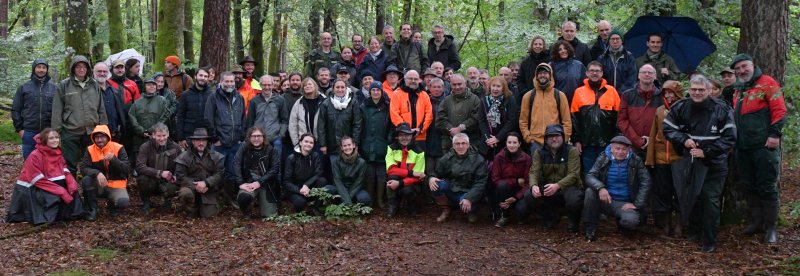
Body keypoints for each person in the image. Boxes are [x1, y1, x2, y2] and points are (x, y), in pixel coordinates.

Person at [663, 75, 736, 252]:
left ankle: (709, 240)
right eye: (694, 89)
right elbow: (668, 128)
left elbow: (730, 137)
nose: (697, 92)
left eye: (701, 90)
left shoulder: (721, 108)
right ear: (689, 89)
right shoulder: (680, 106)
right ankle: (694, 232)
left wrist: (707, 151)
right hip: (690, 162)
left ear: (709, 90)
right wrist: (683, 140)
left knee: (710, 200)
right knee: (692, 196)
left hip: (714, 163)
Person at [730, 54, 786, 244]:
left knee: (767, 186)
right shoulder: (739, 88)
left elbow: (779, 109)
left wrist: (774, 134)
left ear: (753, 65)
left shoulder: (767, 83)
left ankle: (771, 228)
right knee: (749, 184)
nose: (741, 71)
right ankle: (756, 223)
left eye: (744, 66)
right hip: (743, 147)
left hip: (764, 146)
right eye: (738, 68)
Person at [6, 128, 85, 224]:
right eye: (51, 138)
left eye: (56, 137)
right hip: (32, 188)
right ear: (44, 140)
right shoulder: (35, 155)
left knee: (71, 190)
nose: (55, 140)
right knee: (54, 197)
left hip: (47, 183)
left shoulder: (57, 152)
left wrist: (71, 183)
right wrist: (61, 191)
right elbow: (36, 179)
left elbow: (64, 169)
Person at [583, 135, 651, 241]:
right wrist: (600, 187)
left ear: (629, 149)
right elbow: (590, 176)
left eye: (624, 149)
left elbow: (646, 181)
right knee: (590, 192)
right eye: (617, 148)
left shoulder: (636, 160)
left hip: (625, 203)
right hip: (606, 199)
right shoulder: (603, 158)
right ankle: (590, 228)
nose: (620, 152)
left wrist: (637, 204)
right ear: (611, 148)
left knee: (630, 221)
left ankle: (623, 224)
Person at [517, 124, 583, 231]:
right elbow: (534, 172)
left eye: (557, 135)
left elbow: (574, 174)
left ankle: (574, 221)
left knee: (574, 199)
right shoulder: (539, 152)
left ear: (563, 137)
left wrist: (558, 185)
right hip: (549, 187)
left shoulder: (571, 151)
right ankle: (551, 217)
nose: (554, 139)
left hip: (569, 187)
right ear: (546, 139)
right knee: (529, 195)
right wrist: (533, 186)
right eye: (550, 136)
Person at [52, 55, 108, 175]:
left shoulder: (94, 84)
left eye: (84, 67)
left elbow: (101, 107)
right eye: (78, 67)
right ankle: (70, 185)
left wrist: (103, 127)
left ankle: (90, 184)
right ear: (73, 69)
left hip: (91, 131)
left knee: (92, 161)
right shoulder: (64, 85)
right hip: (70, 130)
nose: (81, 69)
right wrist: (57, 131)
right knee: (70, 163)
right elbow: (57, 109)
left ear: (88, 69)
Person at [644, 80, 683, 237]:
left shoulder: (684, 108)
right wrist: (650, 158)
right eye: (666, 93)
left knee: (679, 192)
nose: (668, 96)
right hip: (661, 157)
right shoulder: (659, 110)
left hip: (678, 157)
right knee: (663, 191)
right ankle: (666, 225)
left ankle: (679, 224)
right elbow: (653, 133)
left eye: (671, 92)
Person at [205, 71, 247, 206]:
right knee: (217, 171)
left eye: (231, 81)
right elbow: (208, 119)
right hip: (220, 142)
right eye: (226, 81)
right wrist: (214, 138)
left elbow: (243, 118)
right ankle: (214, 198)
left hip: (235, 143)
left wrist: (241, 136)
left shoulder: (239, 97)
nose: (229, 84)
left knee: (232, 172)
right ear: (221, 82)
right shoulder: (213, 97)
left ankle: (229, 198)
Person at [571, 61, 621, 175]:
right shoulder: (579, 92)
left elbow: (619, 118)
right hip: (586, 143)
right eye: (592, 71)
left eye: (597, 71)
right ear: (587, 73)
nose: (594, 73)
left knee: (607, 174)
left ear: (602, 73)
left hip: (607, 143)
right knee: (589, 174)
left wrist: (616, 140)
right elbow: (574, 119)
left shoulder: (611, 91)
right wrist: (576, 140)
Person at [428, 133, 487, 223]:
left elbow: (480, 183)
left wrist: (469, 198)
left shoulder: (478, 160)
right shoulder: (446, 158)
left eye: (463, 143)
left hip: (469, 192)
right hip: (452, 189)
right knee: (435, 183)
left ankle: (471, 212)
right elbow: (437, 172)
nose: (460, 146)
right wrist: (431, 177)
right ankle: (446, 209)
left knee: (467, 207)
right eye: (457, 144)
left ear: (468, 144)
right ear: (453, 145)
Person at [80, 125, 131, 220]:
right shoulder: (90, 149)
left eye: (102, 137)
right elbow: (83, 168)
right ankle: (92, 209)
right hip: (100, 185)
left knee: (123, 202)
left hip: (116, 185)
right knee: (86, 180)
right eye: (97, 137)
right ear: (93, 138)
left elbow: (127, 169)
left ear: (108, 137)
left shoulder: (119, 148)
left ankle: (112, 205)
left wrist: (114, 159)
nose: (99, 140)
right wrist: (97, 173)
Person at [519, 63, 572, 153]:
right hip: (535, 142)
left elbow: (567, 121)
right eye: (540, 73)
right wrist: (528, 138)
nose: (542, 75)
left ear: (550, 75)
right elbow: (523, 121)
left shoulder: (559, 95)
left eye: (545, 73)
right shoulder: (528, 96)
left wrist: (563, 139)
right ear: (536, 76)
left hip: (555, 140)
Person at [174, 128, 225, 218]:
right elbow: (180, 176)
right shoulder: (184, 157)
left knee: (208, 215)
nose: (201, 143)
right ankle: (191, 209)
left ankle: (205, 204)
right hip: (191, 188)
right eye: (198, 140)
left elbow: (220, 174)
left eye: (203, 140)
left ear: (207, 142)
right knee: (185, 193)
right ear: (193, 141)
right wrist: (196, 186)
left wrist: (206, 183)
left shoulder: (216, 156)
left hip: (208, 189)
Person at [13, 59, 57, 159]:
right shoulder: (24, 87)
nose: (41, 70)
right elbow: (15, 109)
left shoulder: (54, 88)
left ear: (47, 70)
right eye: (38, 67)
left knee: (48, 161)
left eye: (44, 67)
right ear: (34, 69)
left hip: (48, 131)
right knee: (30, 161)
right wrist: (19, 129)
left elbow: (59, 110)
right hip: (29, 131)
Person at [233, 127, 281, 218]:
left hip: (265, 184)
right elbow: (236, 163)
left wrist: (259, 182)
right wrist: (240, 183)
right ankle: (247, 212)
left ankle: (264, 204)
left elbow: (275, 169)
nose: (256, 138)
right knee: (244, 197)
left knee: (270, 216)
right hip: (249, 182)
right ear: (249, 137)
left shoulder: (271, 150)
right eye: (253, 136)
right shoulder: (244, 147)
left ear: (263, 137)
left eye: (259, 136)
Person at [136, 123, 182, 214]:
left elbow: (181, 165)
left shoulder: (175, 147)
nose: (162, 138)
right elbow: (139, 166)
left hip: (168, 180)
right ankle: (146, 202)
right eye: (159, 136)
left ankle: (167, 201)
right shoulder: (145, 147)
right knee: (142, 179)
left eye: (164, 135)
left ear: (168, 134)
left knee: (177, 181)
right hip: (152, 179)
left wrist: (176, 175)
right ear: (153, 135)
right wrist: (160, 173)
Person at [618, 64, 663, 154]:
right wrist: (638, 140)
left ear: (655, 76)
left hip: (656, 146)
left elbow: (666, 122)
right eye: (644, 72)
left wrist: (653, 139)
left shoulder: (662, 96)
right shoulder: (627, 95)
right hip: (632, 146)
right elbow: (622, 121)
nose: (647, 74)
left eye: (650, 72)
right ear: (638, 75)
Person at [360, 81, 392, 208]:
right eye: (373, 90)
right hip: (367, 144)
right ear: (370, 92)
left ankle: (380, 200)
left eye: (378, 90)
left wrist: (389, 139)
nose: (375, 92)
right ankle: (370, 200)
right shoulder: (363, 106)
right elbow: (359, 125)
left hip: (382, 143)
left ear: (382, 92)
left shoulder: (388, 106)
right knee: (369, 174)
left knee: (382, 174)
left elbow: (392, 125)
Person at [490, 132, 531, 227]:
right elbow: (495, 180)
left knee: (521, 210)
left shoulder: (527, 159)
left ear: (519, 144)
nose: (512, 145)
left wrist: (516, 197)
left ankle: (521, 215)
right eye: (509, 142)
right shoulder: (499, 157)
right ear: (506, 143)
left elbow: (528, 182)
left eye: (514, 142)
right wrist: (516, 181)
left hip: (520, 192)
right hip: (504, 190)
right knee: (501, 185)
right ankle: (504, 215)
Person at [385, 123, 426, 217]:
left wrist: (400, 183)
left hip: (411, 183)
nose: (404, 138)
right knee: (392, 178)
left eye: (407, 135)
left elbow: (418, 176)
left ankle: (412, 206)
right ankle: (393, 206)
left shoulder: (419, 152)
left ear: (412, 136)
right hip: (398, 178)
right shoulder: (391, 148)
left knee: (408, 190)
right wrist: (412, 173)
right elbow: (391, 170)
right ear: (397, 137)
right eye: (401, 135)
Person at [318, 80, 362, 160]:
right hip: (332, 146)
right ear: (333, 89)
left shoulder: (353, 103)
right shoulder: (326, 104)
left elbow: (357, 124)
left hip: (349, 146)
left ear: (346, 88)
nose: (340, 89)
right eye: (337, 87)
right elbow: (321, 125)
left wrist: (355, 143)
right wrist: (323, 144)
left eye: (342, 87)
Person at [284, 133, 327, 213]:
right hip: (296, 190)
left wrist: (306, 185)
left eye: (311, 143)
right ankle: (300, 214)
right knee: (300, 202)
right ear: (300, 142)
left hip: (309, 187)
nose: (308, 144)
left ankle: (317, 209)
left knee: (322, 181)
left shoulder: (315, 156)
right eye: (306, 141)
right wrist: (300, 190)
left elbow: (318, 173)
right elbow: (287, 182)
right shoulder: (291, 158)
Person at [437, 74, 482, 152]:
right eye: (454, 85)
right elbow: (440, 119)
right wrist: (451, 129)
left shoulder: (475, 99)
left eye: (459, 84)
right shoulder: (446, 100)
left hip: (471, 143)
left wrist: (461, 128)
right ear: (450, 85)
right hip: (449, 143)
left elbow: (476, 118)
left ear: (465, 83)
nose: (457, 87)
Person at [128, 77, 170, 160]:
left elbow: (165, 116)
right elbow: (132, 117)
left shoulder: (162, 100)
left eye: (153, 85)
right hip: (139, 139)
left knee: (157, 160)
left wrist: (153, 130)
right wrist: (141, 131)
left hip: (157, 137)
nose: (152, 86)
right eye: (149, 85)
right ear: (144, 87)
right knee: (140, 160)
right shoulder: (137, 102)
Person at [389, 70, 433, 149]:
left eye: (415, 79)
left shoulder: (424, 95)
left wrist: (420, 129)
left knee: (419, 157)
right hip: (403, 137)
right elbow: (394, 114)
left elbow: (429, 114)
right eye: (410, 78)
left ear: (419, 80)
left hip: (420, 137)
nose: (413, 81)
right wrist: (406, 130)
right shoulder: (397, 94)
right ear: (405, 79)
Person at [246, 75, 288, 157]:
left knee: (276, 161)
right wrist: (250, 137)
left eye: (269, 85)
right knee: (259, 160)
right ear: (260, 85)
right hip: (258, 137)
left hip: (275, 137)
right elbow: (250, 121)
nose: (267, 87)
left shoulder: (280, 100)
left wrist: (281, 135)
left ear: (273, 85)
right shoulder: (254, 101)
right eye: (264, 85)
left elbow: (284, 119)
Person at [478, 76, 517, 159]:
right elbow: (481, 121)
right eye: (493, 85)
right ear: (490, 87)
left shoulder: (510, 100)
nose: (495, 89)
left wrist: (497, 138)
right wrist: (488, 138)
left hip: (504, 139)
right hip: (487, 140)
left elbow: (511, 121)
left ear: (503, 88)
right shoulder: (484, 100)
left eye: (498, 86)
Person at [326, 136, 370, 206]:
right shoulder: (336, 161)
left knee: (364, 198)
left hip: (355, 188)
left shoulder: (361, 162)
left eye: (349, 145)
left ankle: (349, 204)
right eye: (345, 146)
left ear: (354, 145)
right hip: (340, 188)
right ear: (341, 148)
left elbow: (359, 182)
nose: (347, 147)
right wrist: (347, 200)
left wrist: (347, 200)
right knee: (327, 189)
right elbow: (337, 180)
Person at [176, 67, 213, 149]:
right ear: (195, 76)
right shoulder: (185, 95)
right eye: (201, 75)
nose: (203, 78)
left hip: (208, 136)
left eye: (205, 76)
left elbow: (216, 116)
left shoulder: (212, 95)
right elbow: (180, 116)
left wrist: (215, 136)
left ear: (208, 78)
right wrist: (181, 137)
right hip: (189, 136)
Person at [289, 78, 326, 146]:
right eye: (305, 85)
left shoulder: (324, 101)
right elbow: (293, 124)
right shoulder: (299, 103)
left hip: (320, 142)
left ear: (315, 86)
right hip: (304, 142)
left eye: (309, 84)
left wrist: (325, 143)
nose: (307, 86)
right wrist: (296, 143)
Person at [94, 62, 126, 142]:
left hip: (114, 133)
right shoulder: (90, 91)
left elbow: (119, 111)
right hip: (98, 135)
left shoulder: (114, 90)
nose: (102, 73)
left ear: (108, 73)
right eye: (99, 71)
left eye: (104, 71)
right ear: (93, 72)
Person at [425, 78, 448, 176]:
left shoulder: (448, 101)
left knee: (441, 171)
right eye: (434, 87)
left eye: (439, 87)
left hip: (443, 140)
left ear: (443, 88)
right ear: (430, 88)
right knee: (429, 171)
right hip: (428, 138)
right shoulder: (425, 100)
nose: (437, 89)